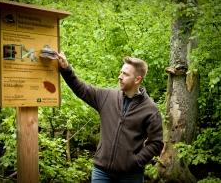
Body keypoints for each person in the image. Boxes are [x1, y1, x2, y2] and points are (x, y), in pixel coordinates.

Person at [56, 52, 164, 183]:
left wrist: (136, 161)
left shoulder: (150, 109)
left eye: (125, 74)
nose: (120, 77)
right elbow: (81, 89)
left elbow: (156, 143)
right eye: (121, 72)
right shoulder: (107, 97)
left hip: (131, 175)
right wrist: (66, 69)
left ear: (137, 79)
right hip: (102, 172)